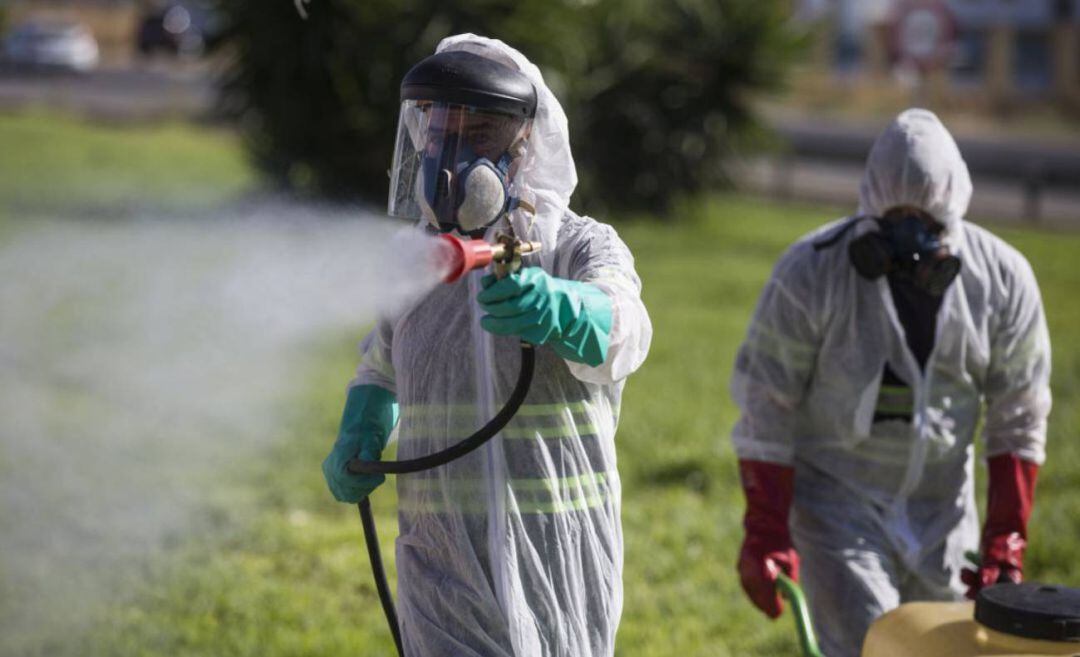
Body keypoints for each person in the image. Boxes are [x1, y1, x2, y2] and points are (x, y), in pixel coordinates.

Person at [321, 34, 652, 657]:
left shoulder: (577, 246)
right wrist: (361, 425)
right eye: (436, 129)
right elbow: (382, 364)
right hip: (440, 556)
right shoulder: (414, 261)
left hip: (556, 550)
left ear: (525, 143)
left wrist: (563, 308)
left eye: (477, 134)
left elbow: (625, 330)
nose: (447, 155)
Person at [730, 109, 1050, 657]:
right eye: (895, 216)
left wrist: (1005, 538)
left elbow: (1018, 416)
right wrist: (766, 530)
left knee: (945, 649)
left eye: (926, 220)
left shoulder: (1002, 280)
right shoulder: (811, 272)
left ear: (954, 214)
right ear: (870, 207)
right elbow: (766, 404)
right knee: (870, 645)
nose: (908, 237)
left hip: (944, 511)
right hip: (838, 504)